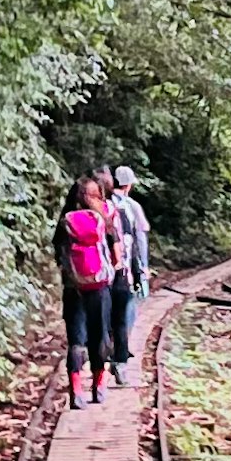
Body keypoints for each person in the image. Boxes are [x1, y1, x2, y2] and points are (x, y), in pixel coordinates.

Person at [53, 172, 119, 405]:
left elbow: (59, 255)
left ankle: (76, 390)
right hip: (99, 286)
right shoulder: (103, 221)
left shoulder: (65, 221)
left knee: (76, 339)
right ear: (94, 197)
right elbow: (116, 257)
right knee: (100, 336)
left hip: (73, 288)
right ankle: (99, 387)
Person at [105, 165, 155, 379]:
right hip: (124, 269)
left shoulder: (101, 205)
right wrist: (142, 266)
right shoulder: (131, 206)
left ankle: (106, 348)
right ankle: (120, 355)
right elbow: (140, 239)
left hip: (102, 270)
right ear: (128, 184)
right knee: (126, 312)